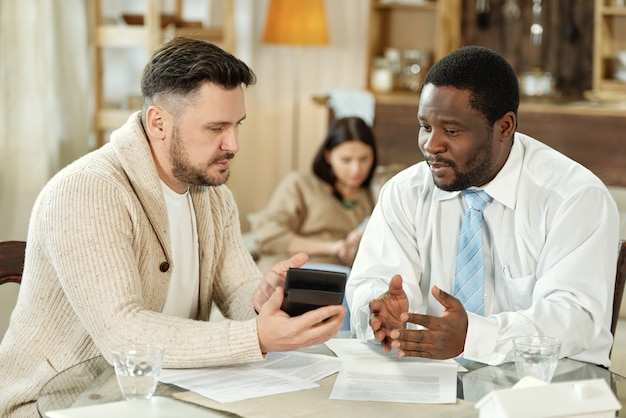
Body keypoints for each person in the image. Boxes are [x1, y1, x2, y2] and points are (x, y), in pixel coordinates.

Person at [0, 37, 345, 417]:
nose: (233, 144)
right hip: (58, 403)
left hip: (159, 394)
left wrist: (265, 300)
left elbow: (236, 290)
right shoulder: (87, 190)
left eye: (236, 125)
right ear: (158, 122)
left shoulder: (213, 195)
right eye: (215, 128)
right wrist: (255, 336)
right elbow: (123, 333)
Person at [346, 45, 620, 368]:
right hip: (429, 384)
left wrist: (472, 337)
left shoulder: (574, 197)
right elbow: (373, 284)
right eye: (425, 126)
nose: (430, 146)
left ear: (504, 127)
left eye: (451, 130)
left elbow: (574, 318)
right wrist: (381, 314)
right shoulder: (404, 193)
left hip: (544, 389)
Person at [251, 116, 378, 274]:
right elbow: (268, 236)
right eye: (346, 160)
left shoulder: (374, 196)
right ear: (328, 156)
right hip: (290, 271)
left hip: (341, 279)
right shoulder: (299, 185)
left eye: (364, 159)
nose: (356, 169)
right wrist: (333, 247)